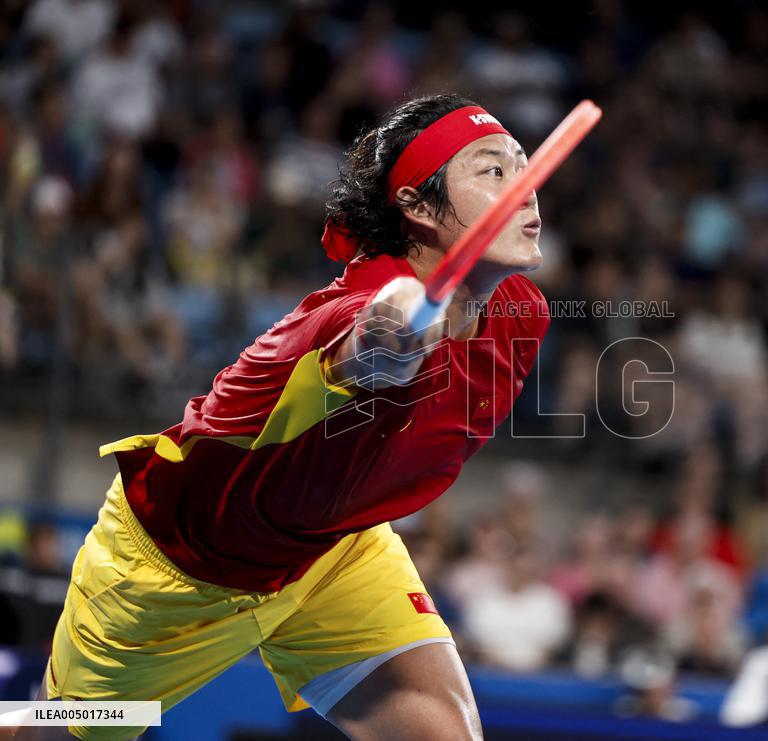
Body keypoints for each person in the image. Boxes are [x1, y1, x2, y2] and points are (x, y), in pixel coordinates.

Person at [29, 94, 549, 741]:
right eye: (492, 169)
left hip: (331, 548)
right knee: (52, 733)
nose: (525, 184)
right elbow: (368, 338)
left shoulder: (520, 315)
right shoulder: (341, 321)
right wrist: (392, 333)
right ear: (415, 206)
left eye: (525, 164)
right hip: (174, 572)